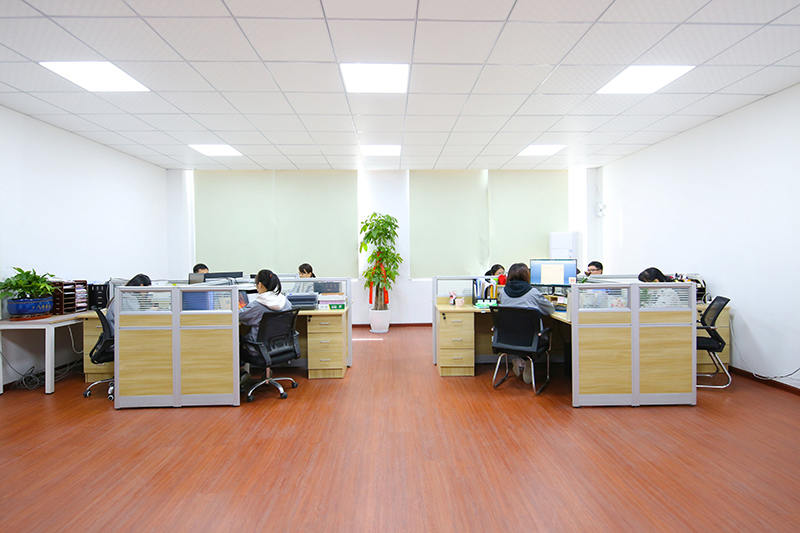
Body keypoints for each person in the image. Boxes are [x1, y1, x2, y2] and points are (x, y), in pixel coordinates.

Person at [498, 263, 555, 384]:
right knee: (537, 330)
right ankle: (528, 363)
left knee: (517, 329)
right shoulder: (533, 292)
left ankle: (517, 360)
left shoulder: (503, 292)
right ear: (527, 276)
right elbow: (550, 310)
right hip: (531, 341)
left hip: (507, 339)